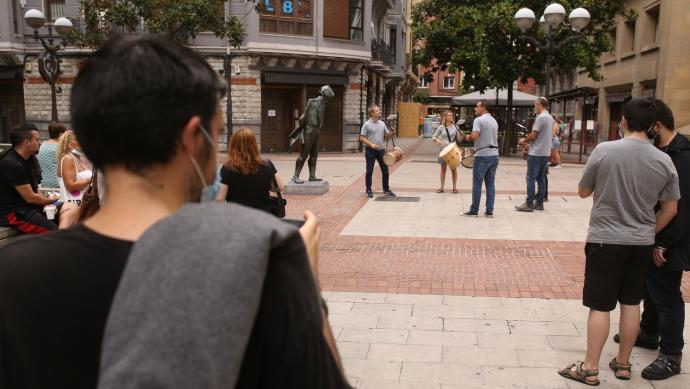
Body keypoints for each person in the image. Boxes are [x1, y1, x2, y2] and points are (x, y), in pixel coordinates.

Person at [0, 35, 346, 389]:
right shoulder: (264, 259)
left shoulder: (13, 274)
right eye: (217, 135)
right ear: (193, 138)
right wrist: (308, 282)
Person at [558, 97, 680, 386]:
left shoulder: (605, 150)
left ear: (622, 121)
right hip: (641, 243)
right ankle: (623, 364)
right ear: (652, 126)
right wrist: (650, 230)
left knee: (600, 305)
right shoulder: (664, 159)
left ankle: (589, 368)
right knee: (630, 303)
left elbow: (584, 191)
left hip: (606, 240)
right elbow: (671, 207)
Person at [612, 99, 690, 380]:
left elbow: (682, 208)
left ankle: (671, 354)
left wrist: (663, 242)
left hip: (671, 238)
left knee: (667, 295)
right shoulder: (658, 150)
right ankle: (648, 331)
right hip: (651, 233)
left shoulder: (683, 155)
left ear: (656, 126)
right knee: (650, 289)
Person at [0, 123, 76, 234]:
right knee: (53, 231)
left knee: (70, 207)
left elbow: (35, 190)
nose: (40, 143)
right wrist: (49, 200)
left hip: (32, 207)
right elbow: (30, 198)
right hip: (15, 213)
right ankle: (60, 238)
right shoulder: (12, 163)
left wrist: (46, 204)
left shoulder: (31, 159)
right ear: (26, 142)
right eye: (37, 139)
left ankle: (62, 238)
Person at [216, 127, 285, 214]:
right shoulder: (266, 165)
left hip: (236, 217)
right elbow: (280, 187)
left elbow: (219, 199)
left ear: (233, 145)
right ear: (254, 144)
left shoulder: (228, 168)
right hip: (263, 217)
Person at [461, 100, 499, 218]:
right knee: (490, 184)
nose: (475, 109)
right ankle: (489, 211)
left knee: (477, 184)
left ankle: (474, 210)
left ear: (483, 107)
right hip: (494, 155)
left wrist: (466, 137)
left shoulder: (479, 120)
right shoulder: (494, 120)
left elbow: (475, 136)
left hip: (482, 156)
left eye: (477, 107)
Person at [289, 85, 334, 183]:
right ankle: (295, 176)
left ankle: (312, 176)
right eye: (327, 97)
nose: (327, 100)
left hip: (317, 130)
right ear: (323, 94)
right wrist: (302, 125)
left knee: (314, 154)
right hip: (309, 129)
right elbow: (304, 117)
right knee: (304, 153)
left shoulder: (323, 104)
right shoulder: (312, 102)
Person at [516, 97, 552, 212]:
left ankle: (529, 203)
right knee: (541, 178)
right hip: (545, 152)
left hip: (536, 153)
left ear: (539, 104)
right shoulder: (549, 117)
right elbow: (543, 137)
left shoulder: (541, 117)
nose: (534, 107)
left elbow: (534, 134)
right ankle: (540, 203)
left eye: (535, 105)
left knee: (530, 178)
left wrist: (524, 141)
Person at [360, 105, 396, 198]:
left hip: (381, 150)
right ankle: (368, 189)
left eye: (379, 111)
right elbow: (361, 137)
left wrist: (391, 133)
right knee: (369, 171)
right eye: (377, 111)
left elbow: (387, 136)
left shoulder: (382, 123)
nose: (379, 112)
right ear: (372, 113)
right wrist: (371, 144)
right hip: (370, 150)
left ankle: (386, 190)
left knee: (385, 171)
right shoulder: (367, 124)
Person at [57, 130, 93, 207]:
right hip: (73, 205)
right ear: (68, 144)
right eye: (78, 139)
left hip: (84, 203)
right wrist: (90, 180)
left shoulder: (81, 160)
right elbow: (70, 186)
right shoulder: (68, 158)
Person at [431, 110, 460, 193]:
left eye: (452, 115)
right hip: (443, 150)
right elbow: (433, 137)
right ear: (445, 117)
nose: (451, 117)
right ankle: (441, 187)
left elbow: (459, 139)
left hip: (452, 150)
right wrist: (438, 141)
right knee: (443, 169)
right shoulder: (441, 127)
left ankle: (454, 188)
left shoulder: (455, 126)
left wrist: (460, 135)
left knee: (453, 169)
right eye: (449, 115)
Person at [37, 121, 67, 188]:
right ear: (60, 134)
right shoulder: (60, 147)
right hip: (58, 183)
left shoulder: (43, 145)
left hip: (43, 181)